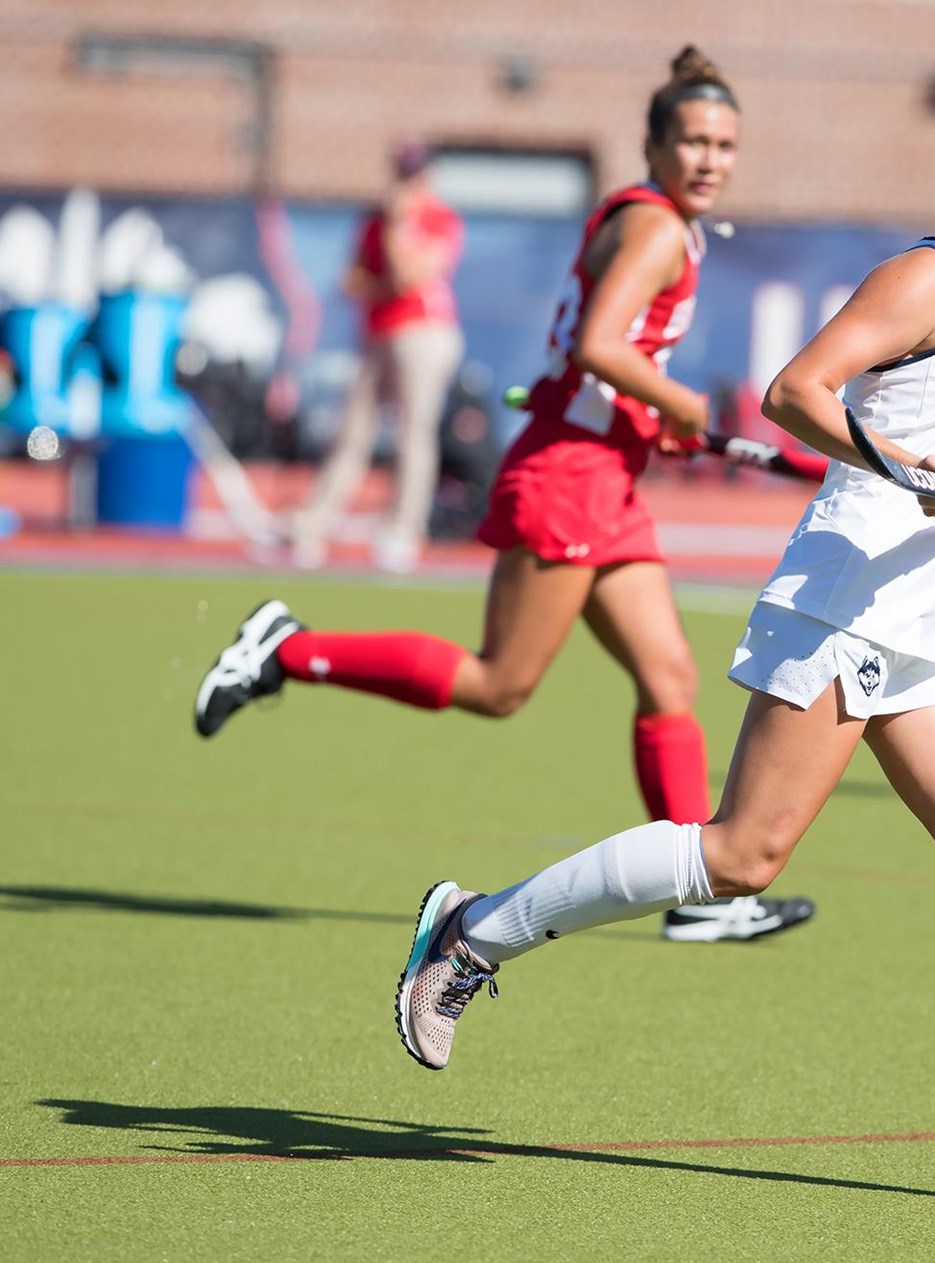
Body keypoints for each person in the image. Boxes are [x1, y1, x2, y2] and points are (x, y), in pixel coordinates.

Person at [388, 76, 935, 1203]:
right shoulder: (924, 280)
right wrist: (900, 467)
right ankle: (473, 932)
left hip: (923, 621)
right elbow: (798, 392)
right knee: (741, 855)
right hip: (845, 596)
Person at [194, 48, 812, 944]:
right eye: (693, 142)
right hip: (568, 477)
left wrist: (651, 414)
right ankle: (286, 651)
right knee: (499, 683)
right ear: (653, 145)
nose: (711, 160)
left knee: (668, 676)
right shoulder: (654, 228)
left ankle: (699, 898)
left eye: (725, 145)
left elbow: (601, 363)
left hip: (603, 476)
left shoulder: (655, 220)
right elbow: (601, 344)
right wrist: (678, 404)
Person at [290, 138, 466, 574]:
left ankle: (403, 530)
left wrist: (397, 226)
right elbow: (352, 280)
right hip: (379, 333)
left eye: (415, 172)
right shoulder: (374, 217)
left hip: (424, 332)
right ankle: (313, 526)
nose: (407, 181)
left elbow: (408, 275)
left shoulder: (437, 218)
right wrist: (382, 268)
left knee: (413, 432)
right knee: (353, 431)